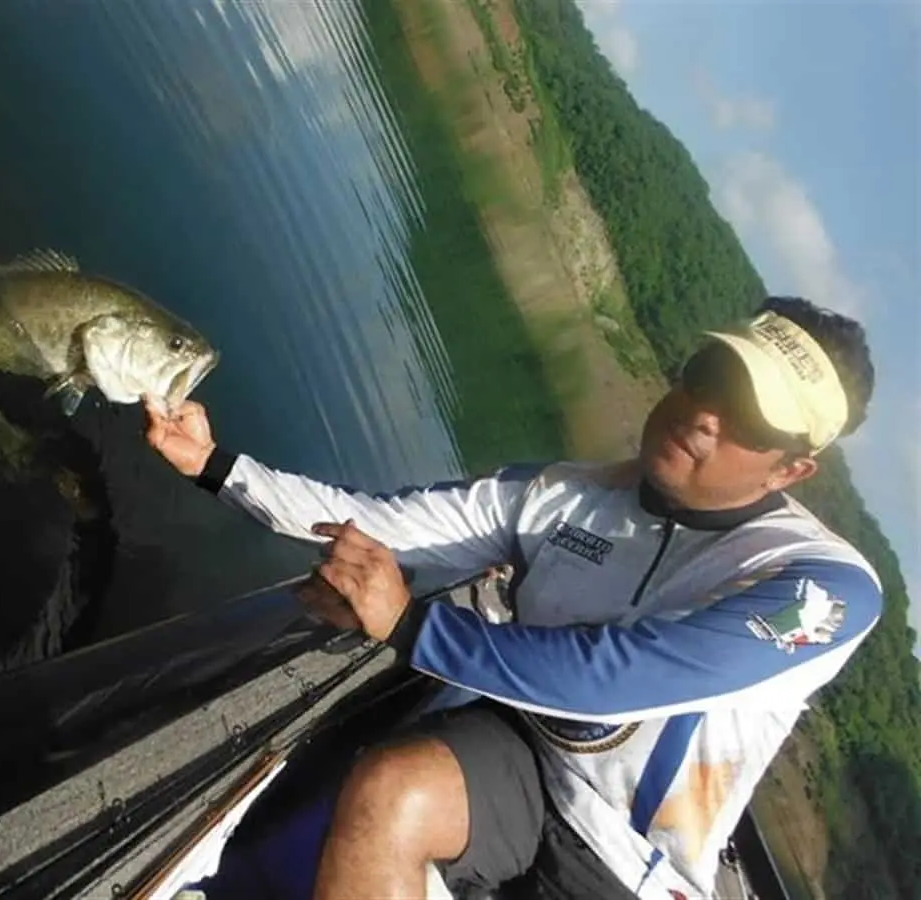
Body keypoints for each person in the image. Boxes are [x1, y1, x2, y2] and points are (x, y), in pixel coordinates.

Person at [143, 296, 881, 900]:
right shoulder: (562, 493)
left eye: (748, 417)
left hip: (629, 861)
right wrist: (213, 463)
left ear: (791, 470)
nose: (705, 414)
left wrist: (408, 624)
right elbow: (375, 525)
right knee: (391, 790)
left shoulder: (824, 590)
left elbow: (622, 676)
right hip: (520, 762)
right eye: (707, 375)